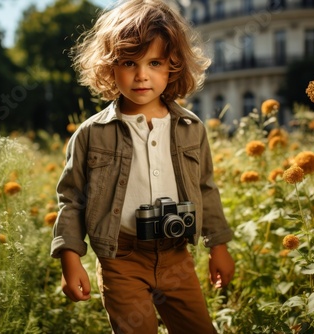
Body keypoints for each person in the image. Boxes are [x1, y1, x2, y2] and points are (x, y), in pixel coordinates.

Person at [50, 0, 235, 333]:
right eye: (128, 62)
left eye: (154, 62)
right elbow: (72, 198)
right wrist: (69, 257)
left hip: (177, 255)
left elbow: (206, 189)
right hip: (121, 258)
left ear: (173, 66)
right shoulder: (92, 133)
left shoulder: (191, 128)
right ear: (109, 66)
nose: (141, 75)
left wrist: (218, 245)